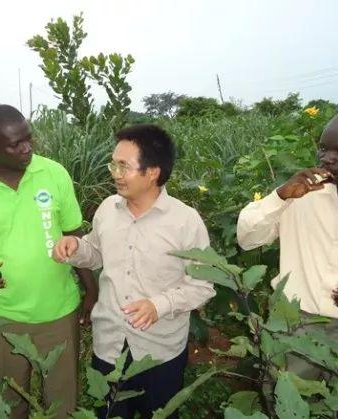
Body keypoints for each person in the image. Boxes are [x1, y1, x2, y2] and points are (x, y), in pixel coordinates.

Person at [52, 124, 216, 419]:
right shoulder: (107, 209)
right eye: (113, 164)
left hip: (159, 351)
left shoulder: (185, 221)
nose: (114, 172)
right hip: (109, 345)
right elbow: (97, 252)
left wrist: (159, 305)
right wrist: (75, 247)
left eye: (123, 166)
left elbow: (204, 285)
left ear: (152, 172)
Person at [0, 104, 97, 418]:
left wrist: (91, 292)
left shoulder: (53, 173)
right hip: (1, 316)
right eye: (15, 144)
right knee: (7, 401)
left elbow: (75, 237)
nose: (26, 148)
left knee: (61, 402)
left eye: (28, 138)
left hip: (58, 312)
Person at [237, 106, 338, 378]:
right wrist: (280, 196)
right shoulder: (299, 195)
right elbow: (247, 238)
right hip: (295, 326)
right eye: (323, 149)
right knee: (288, 404)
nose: (327, 159)